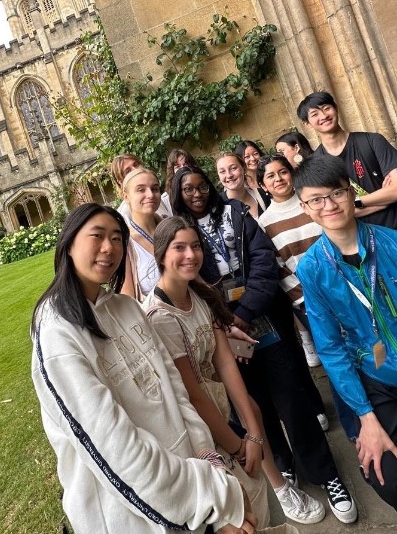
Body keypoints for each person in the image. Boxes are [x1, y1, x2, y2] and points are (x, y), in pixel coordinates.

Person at [30, 203, 257, 534]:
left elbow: (177, 395)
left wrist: (210, 466)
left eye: (118, 238)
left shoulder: (128, 310)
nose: (109, 248)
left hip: (193, 489)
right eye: (97, 236)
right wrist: (207, 499)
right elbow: (113, 449)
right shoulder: (57, 333)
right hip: (135, 516)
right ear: (69, 243)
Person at [170, 166, 358, 524]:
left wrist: (245, 312)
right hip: (224, 333)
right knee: (256, 407)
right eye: (187, 190)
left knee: (291, 398)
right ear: (178, 195)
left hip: (263, 318)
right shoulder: (183, 232)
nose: (197, 194)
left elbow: (262, 262)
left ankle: (326, 473)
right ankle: (286, 467)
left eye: (201, 187)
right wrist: (226, 320)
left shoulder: (236, 213)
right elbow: (191, 280)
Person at [143, 217, 324, 525]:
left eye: (196, 246)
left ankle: (279, 488)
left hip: (215, 393)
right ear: (161, 255)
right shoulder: (161, 316)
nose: (191, 255)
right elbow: (195, 396)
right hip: (195, 421)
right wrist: (239, 444)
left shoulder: (196, 292)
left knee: (253, 410)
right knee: (238, 500)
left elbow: (225, 362)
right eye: (179, 248)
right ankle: (271, 493)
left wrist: (253, 434)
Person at [295, 154, 397, 510]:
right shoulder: (311, 268)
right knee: (386, 477)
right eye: (317, 199)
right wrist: (365, 417)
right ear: (305, 207)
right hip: (375, 378)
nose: (329, 205)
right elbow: (331, 347)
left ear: (350, 193)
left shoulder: (391, 242)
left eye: (336, 193)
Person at [256, 154, 358, 441]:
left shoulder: (315, 200)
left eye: (282, 172)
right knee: (336, 362)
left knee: (362, 351)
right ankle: (353, 429)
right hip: (309, 302)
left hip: (348, 288)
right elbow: (279, 269)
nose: (278, 179)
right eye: (270, 176)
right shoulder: (264, 223)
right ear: (262, 184)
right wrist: (304, 300)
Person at [297, 91, 397, 228]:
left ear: (336, 108)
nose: (324, 116)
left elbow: (396, 190)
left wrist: (356, 202)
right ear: (307, 123)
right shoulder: (316, 163)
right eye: (315, 114)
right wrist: (385, 200)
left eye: (327, 108)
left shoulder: (372, 141)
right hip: (361, 239)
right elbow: (333, 211)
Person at [120, 168, 162, 301]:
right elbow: (128, 299)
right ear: (126, 197)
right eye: (141, 190)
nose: (150, 195)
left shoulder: (172, 229)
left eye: (155, 189)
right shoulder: (124, 243)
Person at [110, 154, 171, 220]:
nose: (135, 170)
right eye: (128, 171)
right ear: (121, 182)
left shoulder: (155, 197)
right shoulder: (124, 215)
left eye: (136, 164)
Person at [217, 152, 269, 219]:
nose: (229, 175)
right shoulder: (218, 206)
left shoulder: (262, 194)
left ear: (244, 169)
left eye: (233, 168)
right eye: (222, 171)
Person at [162, 149, 197, 217]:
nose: (183, 169)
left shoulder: (203, 188)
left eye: (186, 164)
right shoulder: (166, 199)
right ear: (172, 171)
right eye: (177, 167)